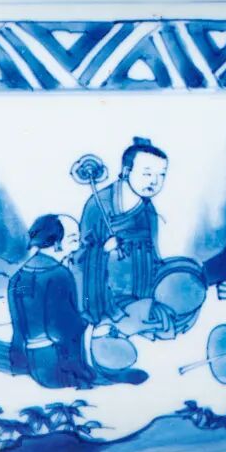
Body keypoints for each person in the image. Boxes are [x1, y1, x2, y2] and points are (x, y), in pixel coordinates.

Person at [79, 137, 167, 325]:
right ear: (127, 171)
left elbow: (154, 250)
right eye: (147, 173)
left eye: (161, 175)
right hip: (106, 293)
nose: (155, 181)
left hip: (141, 289)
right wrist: (103, 249)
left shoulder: (148, 210)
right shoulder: (99, 204)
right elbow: (82, 253)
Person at [8, 214, 95, 389]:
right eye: (73, 239)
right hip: (58, 366)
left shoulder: (18, 277)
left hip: (31, 361)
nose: (78, 245)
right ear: (56, 243)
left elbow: (19, 325)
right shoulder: (59, 275)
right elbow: (63, 328)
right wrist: (86, 321)